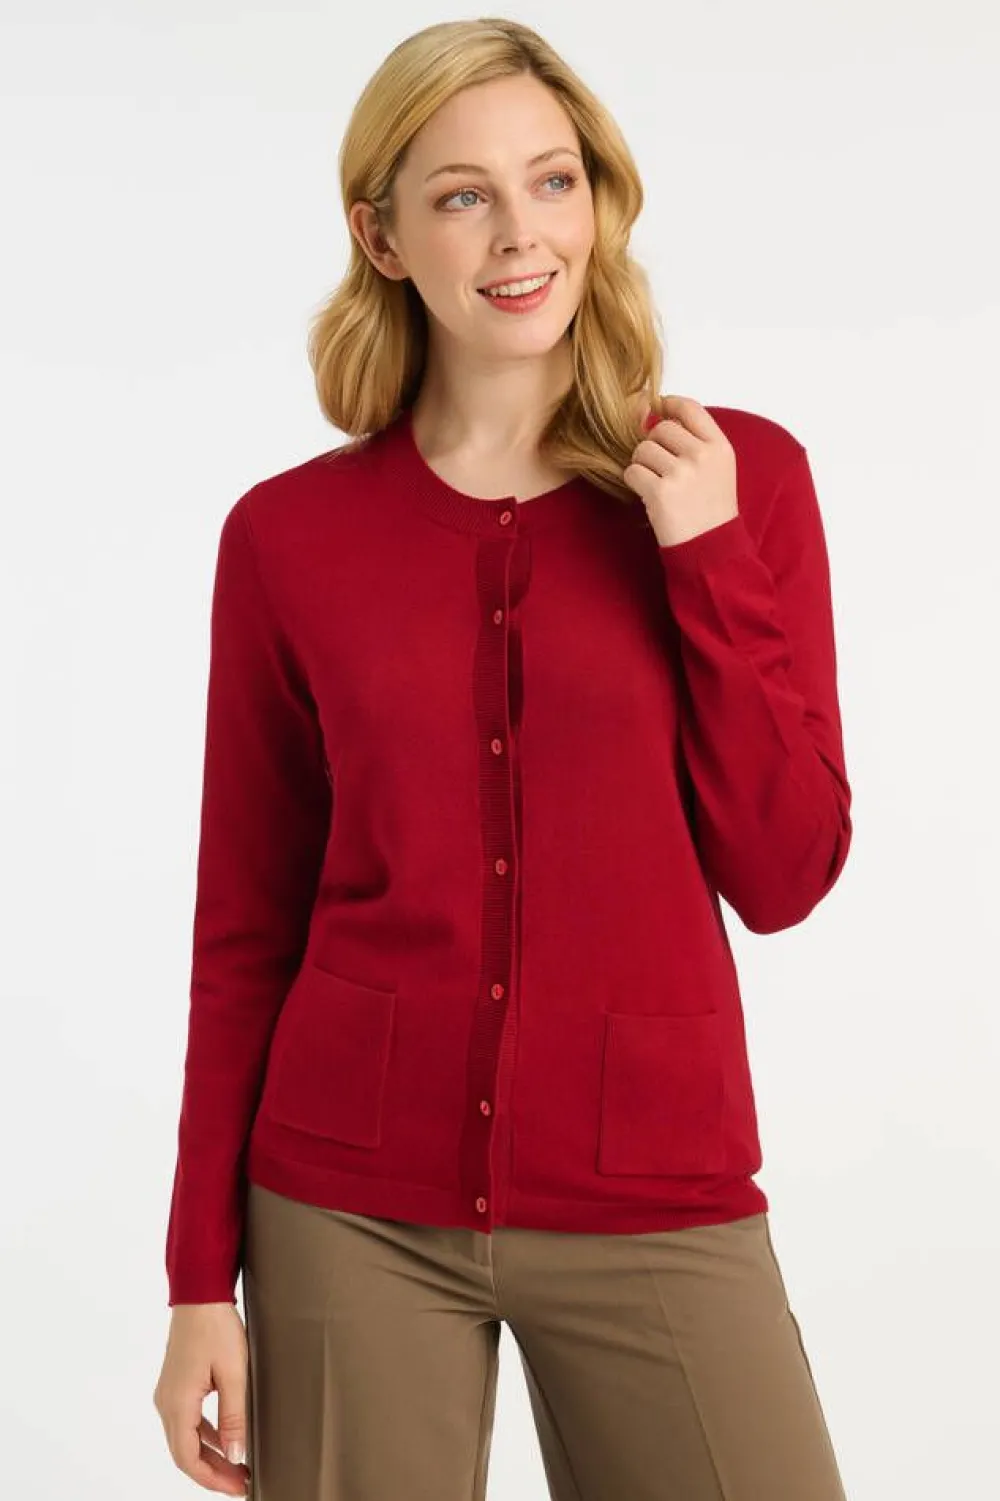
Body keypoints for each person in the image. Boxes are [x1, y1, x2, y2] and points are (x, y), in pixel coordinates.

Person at [153, 18, 853, 1500]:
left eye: (553, 180)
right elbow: (245, 926)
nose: (521, 233)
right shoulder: (288, 538)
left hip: (650, 1177)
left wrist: (703, 557)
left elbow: (787, 871)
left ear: (600, 201)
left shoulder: (739, 480)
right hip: (345, 1205)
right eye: (463, 195)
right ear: (383, 237)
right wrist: (198, 1277)